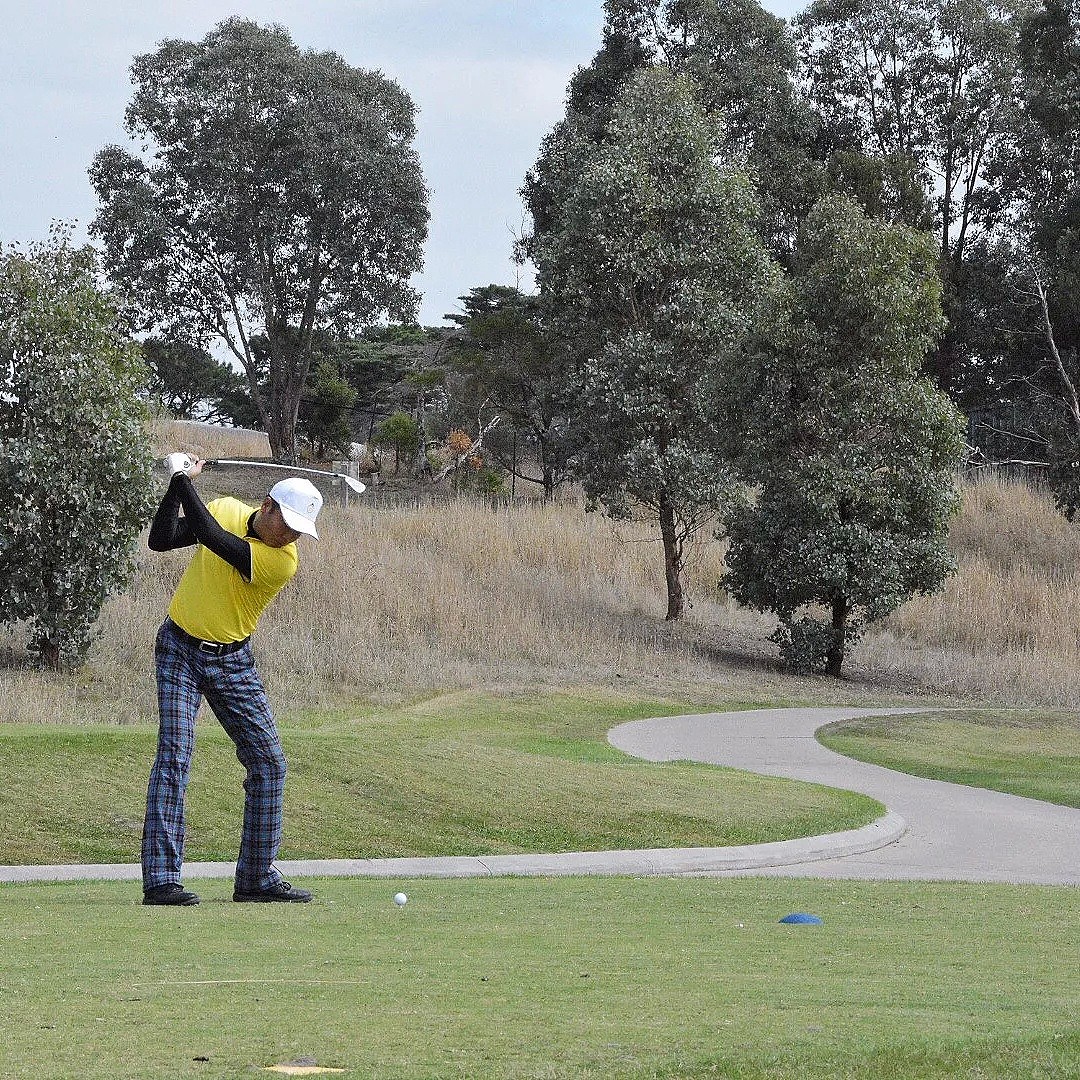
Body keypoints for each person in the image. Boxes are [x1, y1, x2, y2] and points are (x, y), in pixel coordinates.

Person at [140, 455, 322, 906]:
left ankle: (256, 878)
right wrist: (174, 487)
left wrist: (182, 477)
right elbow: (161, 539)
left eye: (301, 529)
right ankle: (162, 879)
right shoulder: (223, 507)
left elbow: (213, 538)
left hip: (233, 661)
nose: (293, 535)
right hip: (179, 649)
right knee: (175, 755)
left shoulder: (283, 562)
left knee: (269, 764)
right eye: (289, 523)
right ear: (267, 507)